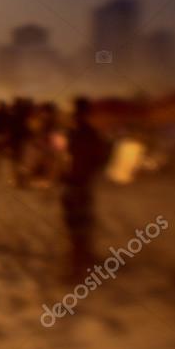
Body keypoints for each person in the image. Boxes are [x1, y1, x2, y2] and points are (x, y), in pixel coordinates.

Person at [61, 97, 111, 278]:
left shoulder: (77, 134)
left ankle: (77, 269)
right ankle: (86, 258)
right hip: (83, 182)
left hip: (75, 183)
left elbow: (70, 160)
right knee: (83, 224)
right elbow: (101, 158)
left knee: (76, 226)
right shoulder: (92, 134)